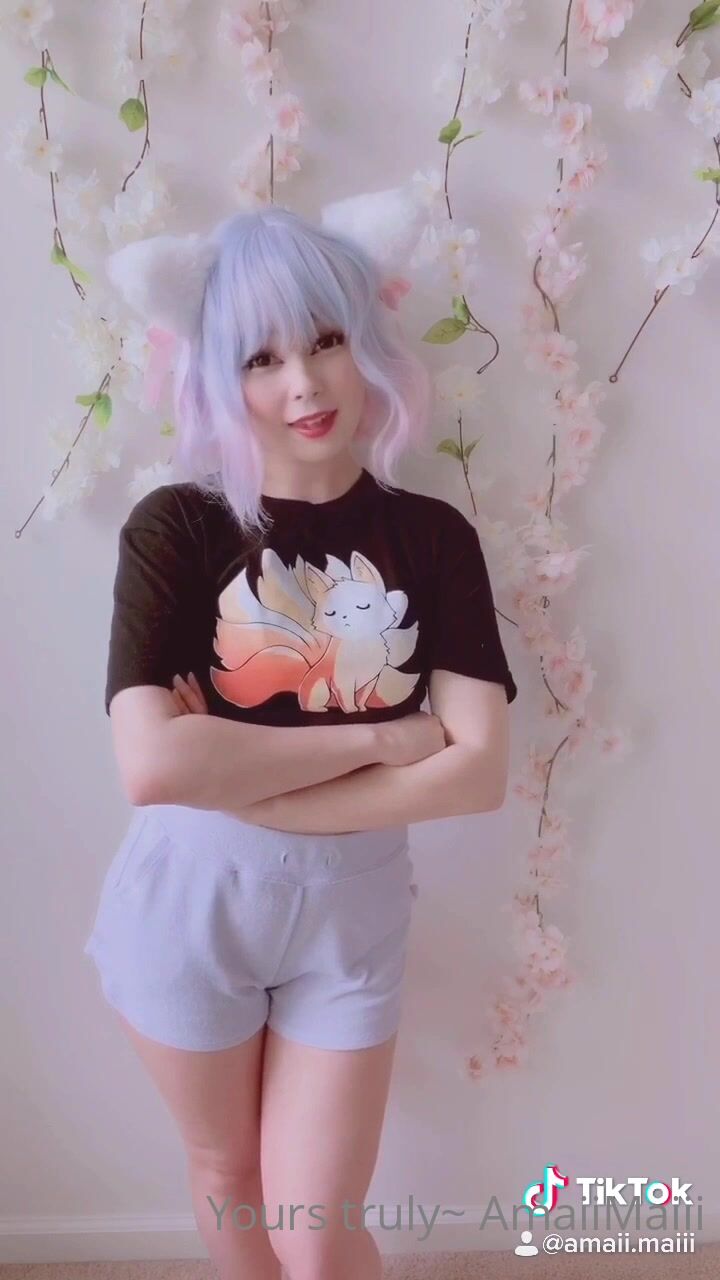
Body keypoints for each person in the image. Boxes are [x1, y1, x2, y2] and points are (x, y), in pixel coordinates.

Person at [84, 205, 518, 1280]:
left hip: (350, 915)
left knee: (317, 1228)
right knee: (226, 1172)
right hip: (191, 905)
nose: (305, 384)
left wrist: (237, 768)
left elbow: (478, 774)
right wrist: (390, 735)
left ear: (364, 339)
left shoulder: (432, 537)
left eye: (324, 340)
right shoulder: (177, 528)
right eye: (261, 357)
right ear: (216, 377)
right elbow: (154, 767)